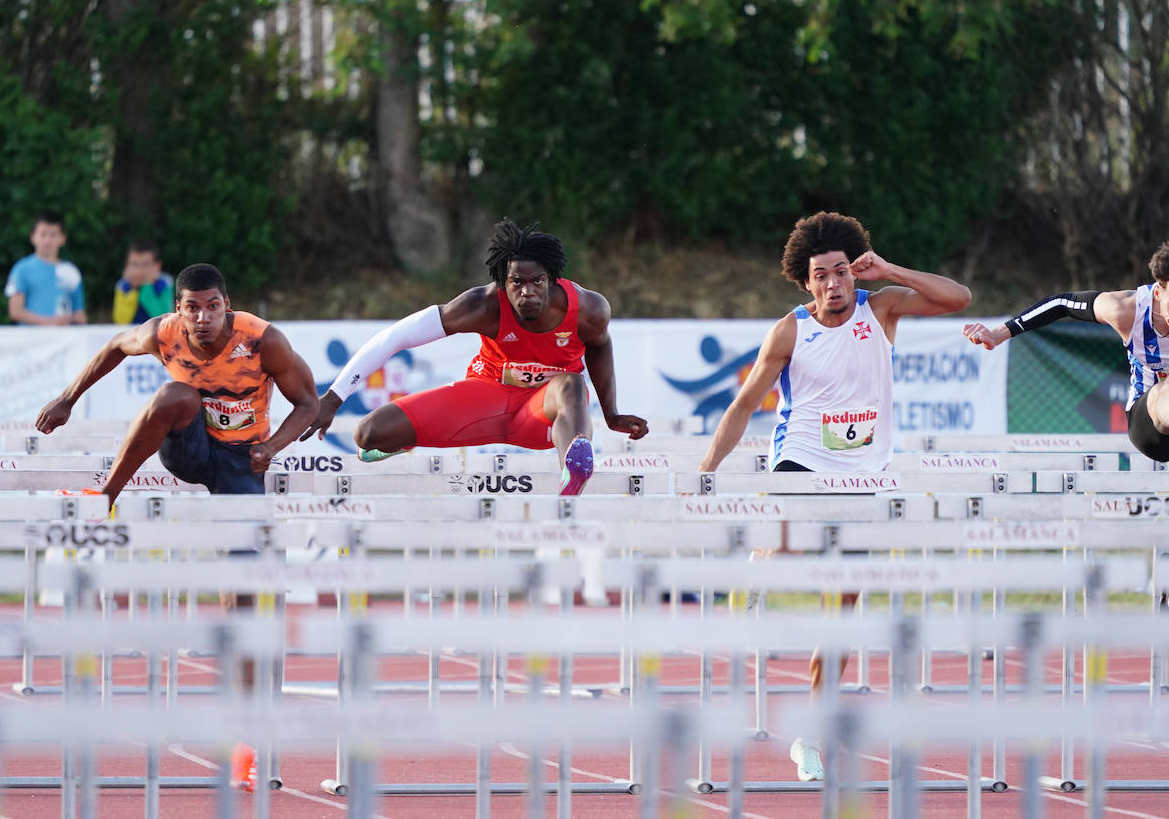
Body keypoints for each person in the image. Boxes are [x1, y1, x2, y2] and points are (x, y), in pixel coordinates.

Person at [697, 211, 971, 782]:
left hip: (863, 474)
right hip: (802, 458)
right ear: (806, 282)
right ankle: (759, 568)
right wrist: (708, 468)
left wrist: (889, 269)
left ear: (855, 271)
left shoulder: (882, 308)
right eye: (821, 276)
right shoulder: (791, 330)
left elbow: (958, 298)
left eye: (841, 272)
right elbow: (746, 403)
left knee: (842, 615)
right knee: (795, 526)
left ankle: (811, 736)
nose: (833, 284)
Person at [35, 262, 319, 792]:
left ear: (227, 305)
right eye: (193, 308)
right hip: (191, 449)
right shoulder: (161, 332)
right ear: (179, 310)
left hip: (241, 460)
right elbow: (115, 348)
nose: (204, 317)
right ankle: (106, 496)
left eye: (213, 306)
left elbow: (309, 402)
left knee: (246, 589)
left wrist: (273, 447)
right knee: (175, 397)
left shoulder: (263, 341)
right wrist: (68, 399)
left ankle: (245, 736)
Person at [299, 219, 649, 493]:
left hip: (542, 413)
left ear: (552, 280)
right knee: (367, 433)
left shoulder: (588, 308)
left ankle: (572, 474)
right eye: (516, 283)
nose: (527, 293)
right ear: (502, 282)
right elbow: (396, 337)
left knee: (570, 383)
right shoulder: (482, 305)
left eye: (537, 282)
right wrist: (332, 398)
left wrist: (611, 412)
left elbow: (600, 346)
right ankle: (401, 442)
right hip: (486, 399)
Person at [963, 242, 1169, 462]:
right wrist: (999, 334)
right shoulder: (1125, 309)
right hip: (1149, 427)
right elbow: (1061, 303)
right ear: (1158, 292)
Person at [5, 211, 86, 325]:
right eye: (43, 234)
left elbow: (80, 314)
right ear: (33, 237)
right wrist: (48, 322)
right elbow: (15, 311)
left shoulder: (71, 271)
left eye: (53, 235)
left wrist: (71, 320)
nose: (48, 240)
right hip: (30, 340)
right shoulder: (21, 269)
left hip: (63, 341)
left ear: (62, 238)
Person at [112, 240, 174, 325]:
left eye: (145, 265)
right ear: (126, 266)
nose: (139, 270)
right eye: (134, 264)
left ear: (157, 266)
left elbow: (164, 319)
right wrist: (134, 289)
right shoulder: (122, 286)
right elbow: (120, 321)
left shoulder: (164, 283)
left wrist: (147, 287)